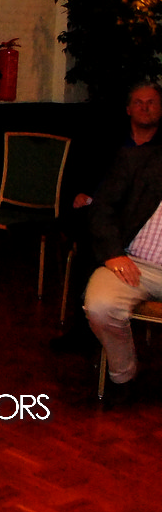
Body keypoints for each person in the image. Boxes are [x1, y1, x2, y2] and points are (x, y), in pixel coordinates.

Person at [53, 81, 162, 354]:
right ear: (128, 109)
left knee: (98, 242)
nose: (145, 108)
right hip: (103, 212)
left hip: (141, 226)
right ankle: (86, 329)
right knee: (90, 241)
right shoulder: (109, 140)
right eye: (139, 102)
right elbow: (89, 180)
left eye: (151, 103)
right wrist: (82, 194)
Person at [84, 140, 162, 407]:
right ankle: (123, 375)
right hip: (134, 263)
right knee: (101, 305)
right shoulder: (138, 159)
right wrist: (113, 253)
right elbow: (101, 209)